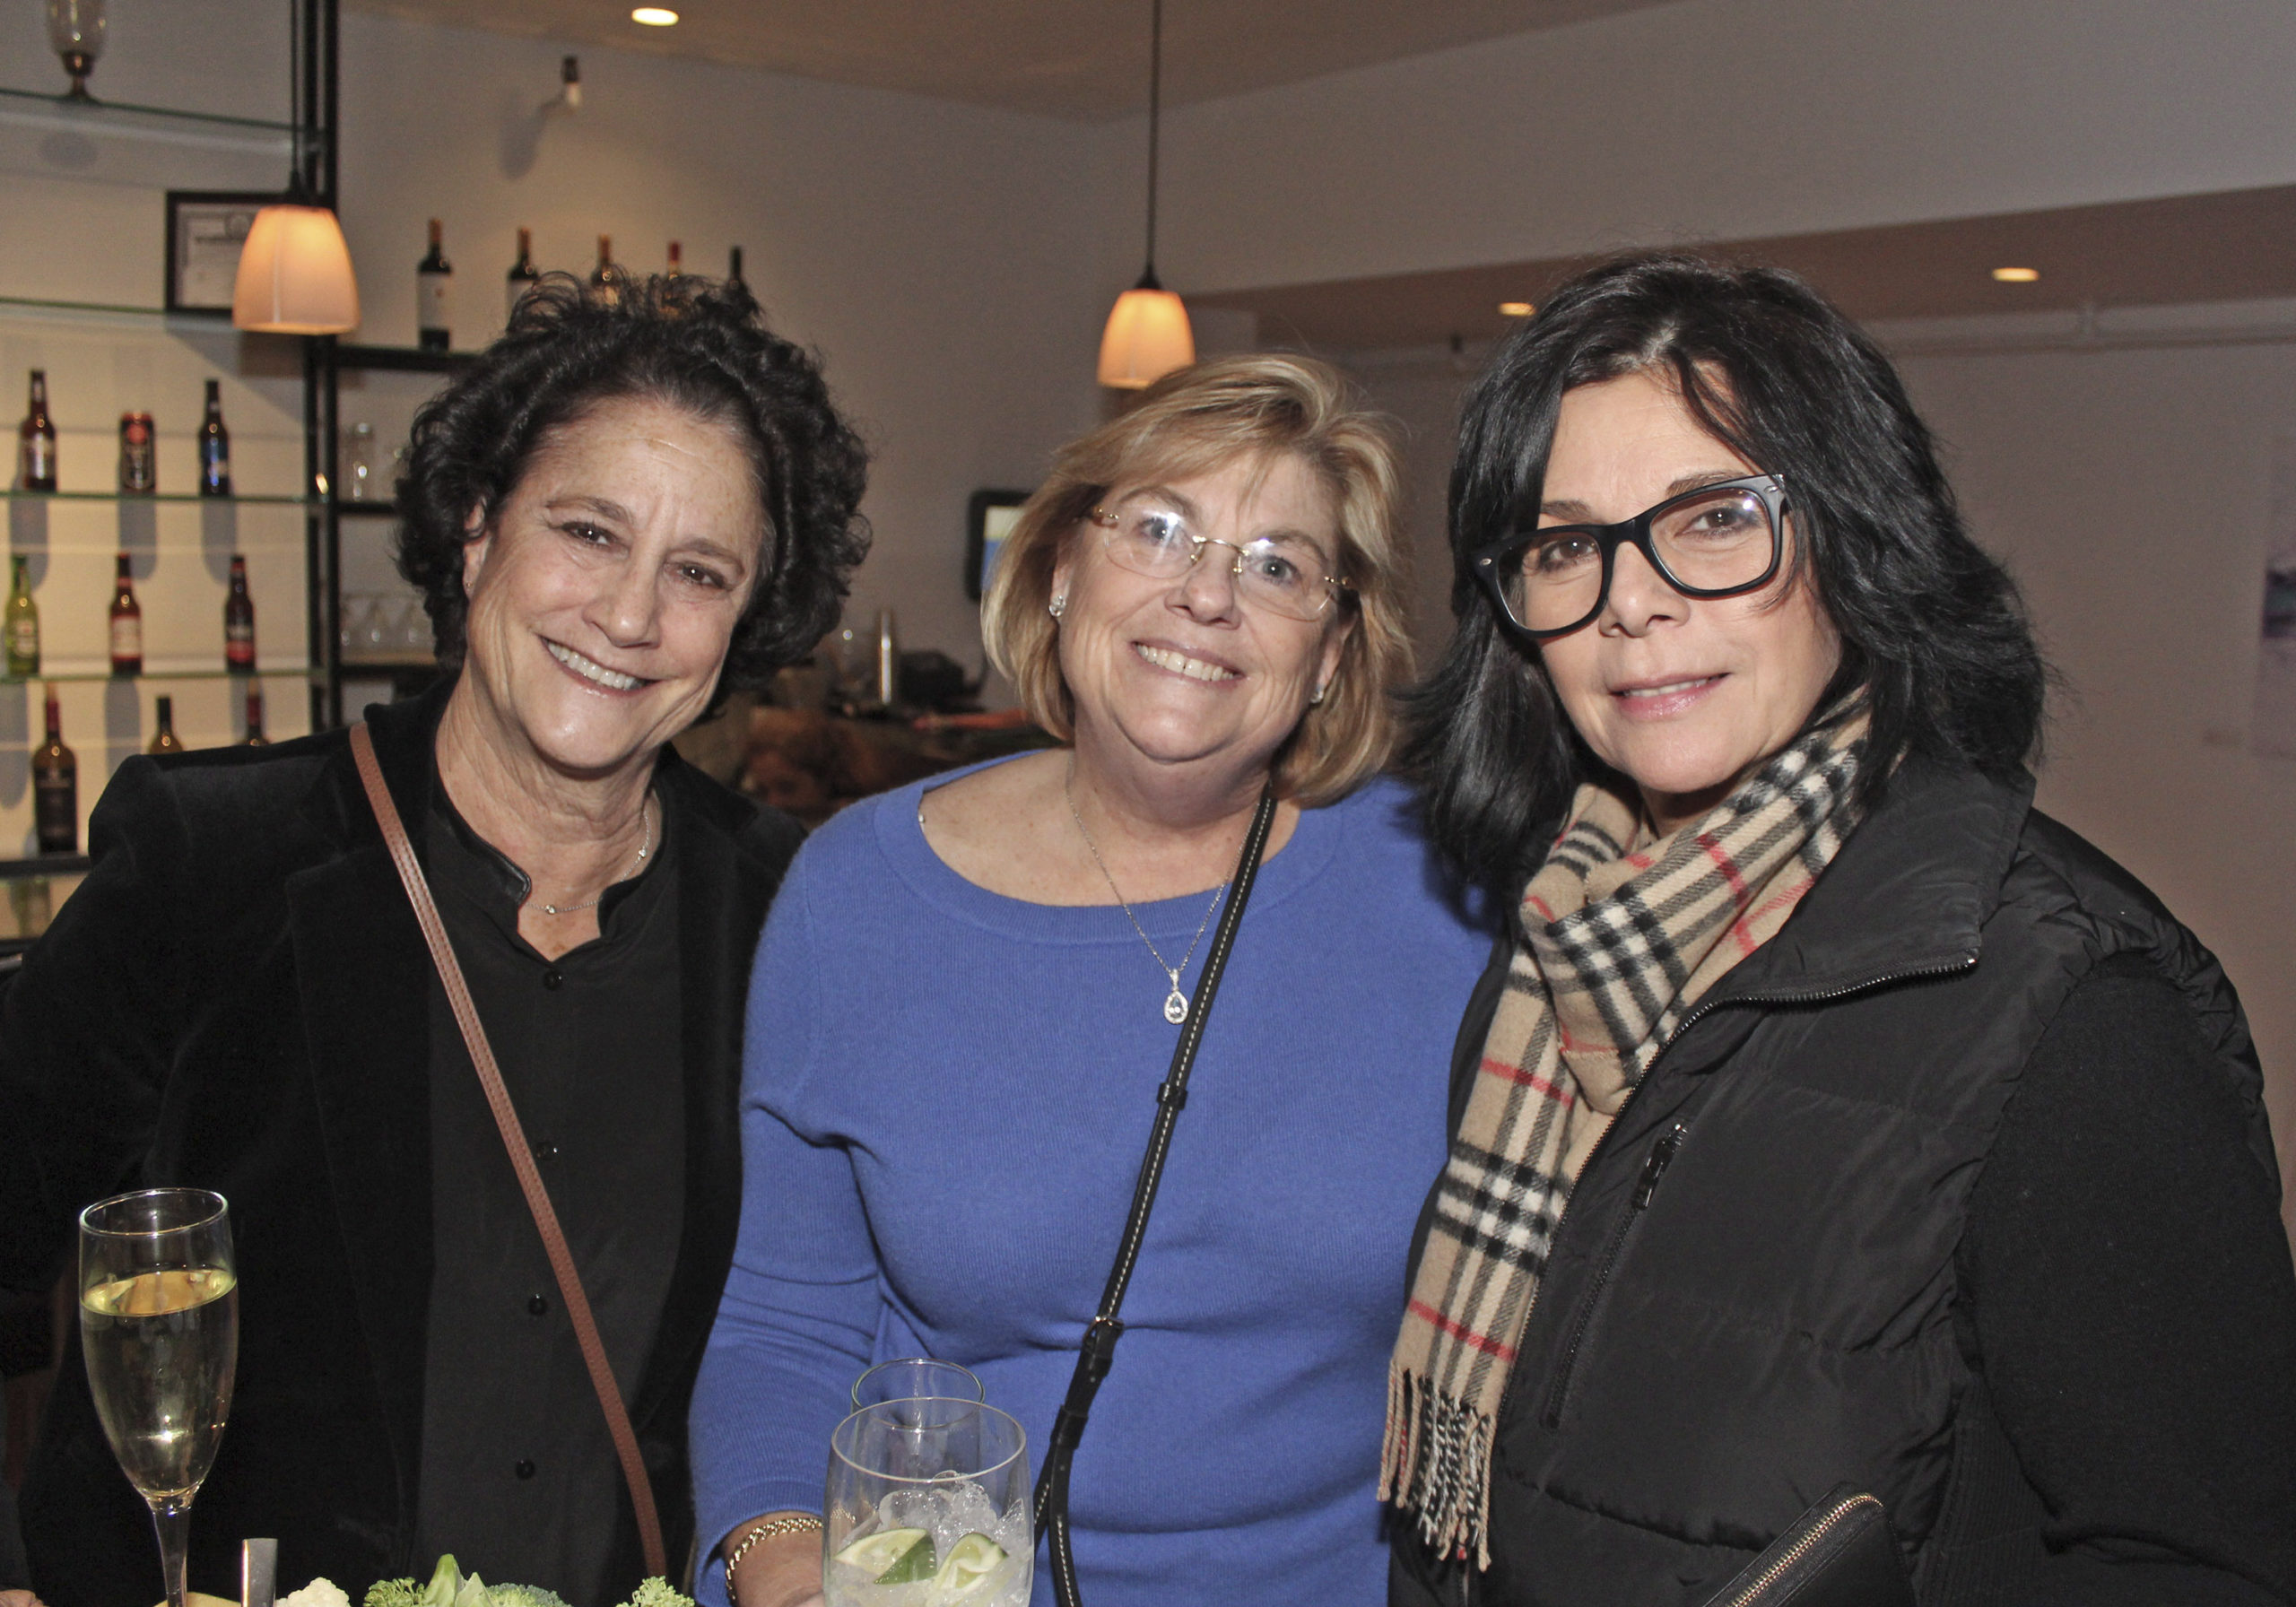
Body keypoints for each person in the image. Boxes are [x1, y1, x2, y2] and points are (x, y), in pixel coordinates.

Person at [1382, 253, 2296, 1606]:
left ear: (1855, 540)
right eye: (1565, 544)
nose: (1630, 599)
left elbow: (2207, 1564)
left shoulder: (2074, 1004)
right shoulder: (1558, 950)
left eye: (1711, 518)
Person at [0, 274, 868, 1607]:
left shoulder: (790, 913)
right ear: (476, 531)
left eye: (699, 572)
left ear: (745, 624)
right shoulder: (216, 860)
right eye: (587, 531)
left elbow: (823, 1336)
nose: (630, 616)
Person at [691, 355, 1493, 1607]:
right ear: (1064, 568)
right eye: (1161, 531)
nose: (1208, 596)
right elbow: (784, 1332)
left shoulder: (1446, 896)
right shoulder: (857, 898)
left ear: (1335, 651)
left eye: (1277, 564)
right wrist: (782, 1573)